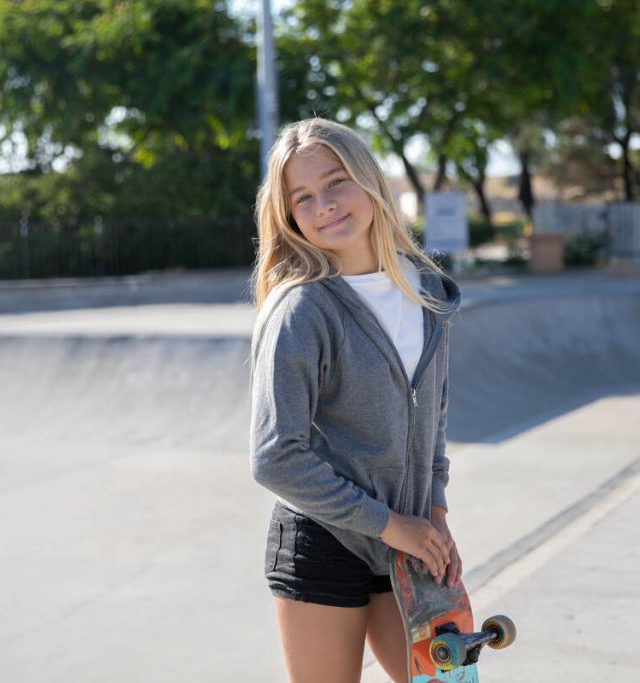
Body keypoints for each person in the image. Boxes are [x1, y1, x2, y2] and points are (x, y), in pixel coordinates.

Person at [249, 117, 463, 683]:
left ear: (368, 180)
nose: (324, 204)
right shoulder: (304, 310)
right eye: (303, 197)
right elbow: (275, 456)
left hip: (407, 547)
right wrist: (390, 524)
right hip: (326, 541)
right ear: (289, 214)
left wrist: (434, 517)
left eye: (336, 181)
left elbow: (433, 424)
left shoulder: (428, 292)